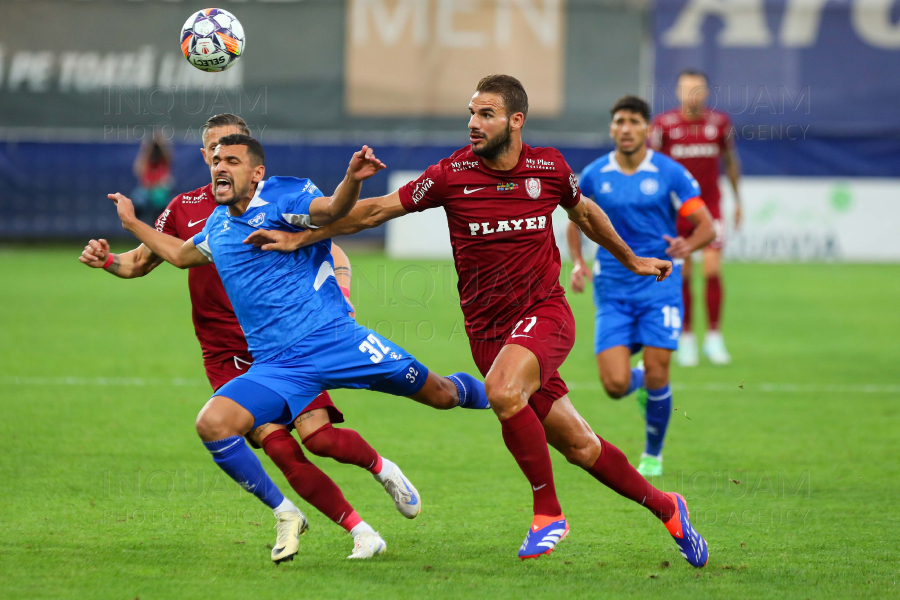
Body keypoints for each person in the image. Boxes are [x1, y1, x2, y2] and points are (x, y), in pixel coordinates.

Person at [245, 75, 709, 568]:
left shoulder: (549, 167)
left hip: (544, 314)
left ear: (515, 120)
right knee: (580, 445)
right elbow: (375, 211)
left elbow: (584, 212)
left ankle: (548, 513)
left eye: (485, 114)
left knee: (504, 393)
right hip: (488, 334)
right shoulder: (450, 174)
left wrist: (632, 259)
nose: (473, 123)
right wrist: (301, 239)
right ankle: (668, 507)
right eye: (471, 112)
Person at [102, 133, 489, 564]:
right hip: (278, 366)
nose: (220, 167)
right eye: (215, 160)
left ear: (257, 172)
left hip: (336, 341)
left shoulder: (287, 194)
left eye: (231, 159)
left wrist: (351, 179)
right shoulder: (217, 225)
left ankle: (500, 395)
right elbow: (177, 255)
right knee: (213, 423)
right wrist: (132, 224)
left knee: (440, 394)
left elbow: (332, 212)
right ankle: (288, 512)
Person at [569, 96, 715, 478]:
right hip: (613, 288)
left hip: (660, 284)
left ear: (647, 129)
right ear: (612, 128)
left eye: (634, 121)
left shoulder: (670, 173)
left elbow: (706, 226)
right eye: (619, 121)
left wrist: (689, 244)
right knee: (615, 385)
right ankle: (639, 381)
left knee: (659, 370)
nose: (626, 128)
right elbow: (575, 220)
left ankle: (653, 454)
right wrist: (578, 262)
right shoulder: (594, 174)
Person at [651, 69, 742, 366]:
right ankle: (687, 336)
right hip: (676, 211)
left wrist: (739, 200)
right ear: (677, 92)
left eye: (697, 88)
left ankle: (714, 337)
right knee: (684, 273)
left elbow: (730, 162)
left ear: (705, 92)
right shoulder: (663, 125)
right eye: (686, 88)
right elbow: (651, 165)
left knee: (712, 269)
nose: (692, 94)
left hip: (710, 208)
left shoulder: (720, 124)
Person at [132, 133, 174, 222]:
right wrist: (147, 147)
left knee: (160, 202)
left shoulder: (163, 161)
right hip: (146, 190)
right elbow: (138, 169)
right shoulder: (146, 161)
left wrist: (161, 143)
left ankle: (158, 227)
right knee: (138, 200)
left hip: (159, 191)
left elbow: (168, 157)